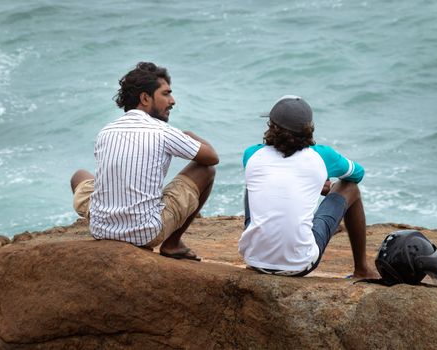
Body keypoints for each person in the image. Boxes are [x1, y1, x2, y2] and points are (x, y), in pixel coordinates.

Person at [71, 62, 218, 260]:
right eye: (166, 94)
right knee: (206, 171)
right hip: (145, 233)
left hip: (102, 230)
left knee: (79, 176)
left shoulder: (106, 131)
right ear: (145, 98)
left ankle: (108, 219)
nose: (172, 101)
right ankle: (172, 244)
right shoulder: (163, 131)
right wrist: (189, 135)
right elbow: (211, 158)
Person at [239, 95, 377, 277]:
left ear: (272, 127)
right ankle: (362, 269)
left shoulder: (252, 154)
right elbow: (357, 174)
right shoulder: (323, 156)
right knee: (350, 187)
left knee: (255, 181)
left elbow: (279, 174)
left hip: (254, 260)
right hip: (300, 264)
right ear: (308, 129)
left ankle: (262, 245)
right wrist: (320, 179)